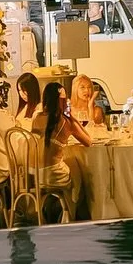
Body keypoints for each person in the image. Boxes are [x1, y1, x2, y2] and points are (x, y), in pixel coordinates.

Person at [35, 79, 91, 212]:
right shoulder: (66, 122)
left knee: (69, 164)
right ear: (62, 101)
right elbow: (89, 141)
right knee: (77, 168)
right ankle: (73, 209)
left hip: (36, 173)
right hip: (54, 174)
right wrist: (72, 117)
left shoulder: (37, 118)